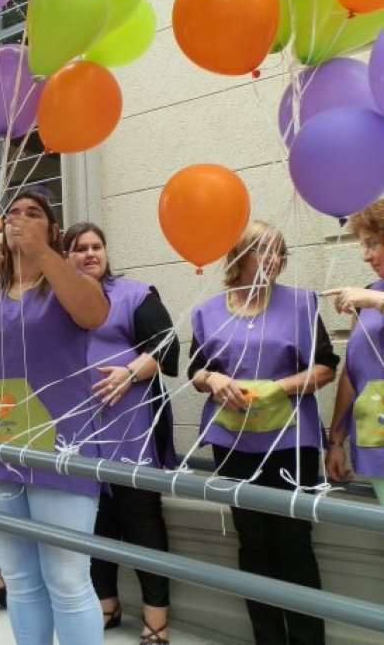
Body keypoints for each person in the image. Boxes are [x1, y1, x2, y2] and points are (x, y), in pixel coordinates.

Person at [0, 186, 110, 645]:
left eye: (32, 212)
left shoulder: (69, 282)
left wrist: (44, 253)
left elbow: (93, 314)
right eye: (12, 212)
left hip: (60, 446)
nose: (19, 218)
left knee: (68, 578)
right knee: (18, 578)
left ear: (52, 229)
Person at [189, 221, 338, 645]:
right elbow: (195, 371)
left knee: (294, 545)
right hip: (234, 443)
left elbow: (327, 367)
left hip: (290, 444)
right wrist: (213, 380)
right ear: (238, 256)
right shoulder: (207, 312)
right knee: (253, 545)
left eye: (279, 252)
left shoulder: (301, 304)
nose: (273, 259)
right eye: (263, 249)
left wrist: (279, 387)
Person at [64, 222, 180, 645]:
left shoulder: (135, 295)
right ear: (66, 257)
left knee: (141, 520)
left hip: (131, 430)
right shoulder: (57, 301)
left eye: (97, 246)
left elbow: (168, 349)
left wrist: (130, 372)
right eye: (79, 248)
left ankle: (156, 619)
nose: (90, 253)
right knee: (94, 521)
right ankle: (106, 605)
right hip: (77, 434)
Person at [324, 200, 384, 506]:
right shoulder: (367, 294)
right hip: (376, 440)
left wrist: (376, 301)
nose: (366, 256)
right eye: (364, 245)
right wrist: (336, 440)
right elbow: (351, 371)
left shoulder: (370, 297)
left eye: (372, 244)